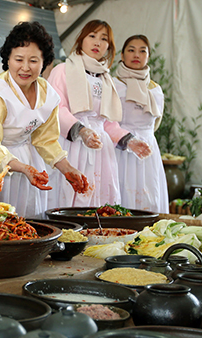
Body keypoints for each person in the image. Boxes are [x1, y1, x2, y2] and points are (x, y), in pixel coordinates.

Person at [0, 21, 87, 218]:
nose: (25, 68)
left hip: (21, 152)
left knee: (17, 217)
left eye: (34, 61)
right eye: (19, 59)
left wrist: (68, 169)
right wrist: (23, 168)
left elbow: (45, 140)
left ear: (44, 61)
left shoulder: (48, 95)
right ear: (8, 59)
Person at [46, 20, 151, 209]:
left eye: (104, 39)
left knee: (100, 203)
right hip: (71, 144)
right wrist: (82, 131)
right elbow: (55, 109)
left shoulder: (106, 79)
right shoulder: (62, 70)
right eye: (92, 36)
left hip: (101, 150)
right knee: (70, 198)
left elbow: (108, 123)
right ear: (81, 40)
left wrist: (130, 141)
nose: (97, 43)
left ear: (109, 46)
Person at [114, 35, 168, 213]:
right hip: (120, 148)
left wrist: (144, 138)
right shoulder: (113, 85)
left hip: (148, 148)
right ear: (122, 55)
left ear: (148, 56)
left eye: (142, 50)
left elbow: (156, 123)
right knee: (122, 192)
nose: (136, 54)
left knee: (149, 194)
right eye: (131, 50)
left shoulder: (155, 89)